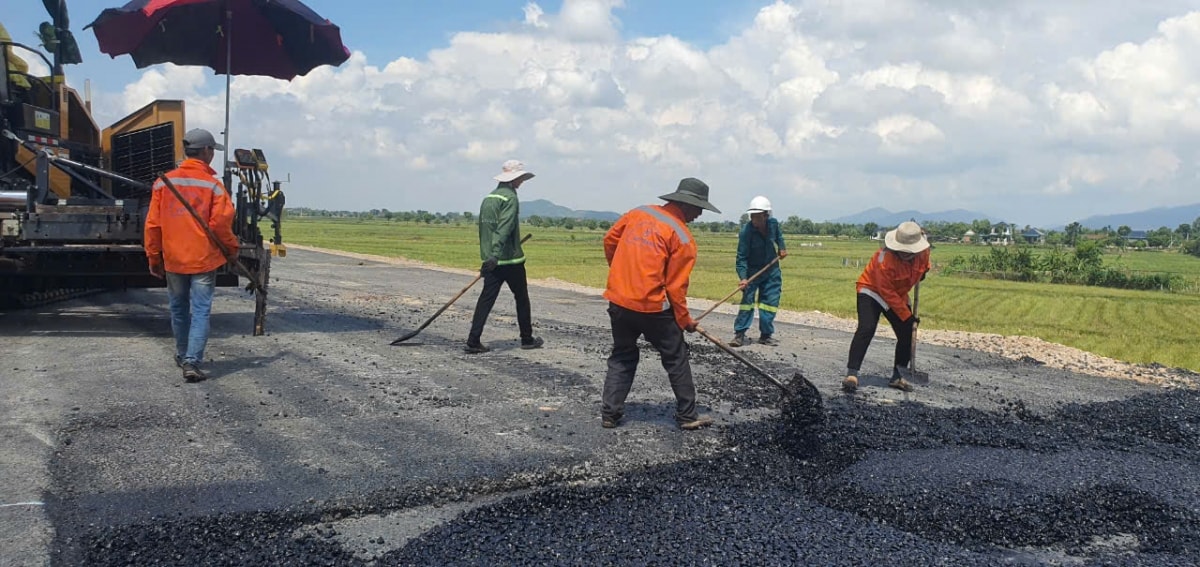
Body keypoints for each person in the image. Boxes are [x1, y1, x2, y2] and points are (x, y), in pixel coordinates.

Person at [600, 178, 720, 430]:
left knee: (622, 354)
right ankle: (687, 416)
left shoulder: (638, 213)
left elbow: (610, 240)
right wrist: (685, 320)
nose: (699, 215)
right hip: (652, 308)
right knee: (676, 357)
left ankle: (610, 414)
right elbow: (676, 288)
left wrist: (622, 273)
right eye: (699, 208)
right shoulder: (683, 239)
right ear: (686, 205)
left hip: (619, 301)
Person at [144, 128, 238, 382]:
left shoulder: (164, 183)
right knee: (201, 310)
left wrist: (154, 256)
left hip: (174, 258)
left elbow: (153, 225)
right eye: (212, 151)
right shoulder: (214, 186)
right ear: (206, 152)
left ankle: (182, 354)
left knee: (178, 309)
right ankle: (192, 362)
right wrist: (232, 249)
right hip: (203, 259)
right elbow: (220, 225)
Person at [465, 160, 544, 353]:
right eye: (521, 179)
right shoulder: (510, 198)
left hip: (491, 261)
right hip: (509, 260)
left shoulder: (489, 198)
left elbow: (485, 230)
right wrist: (496, 254)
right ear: (515, 179)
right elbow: (504, 227)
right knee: (522, 298)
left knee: (486, 299)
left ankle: (473, 340)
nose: (521, 182)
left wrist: (488, 256)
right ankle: (526, 339)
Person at [843, 221, 931, 393]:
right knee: (866, 328)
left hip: (898, 293)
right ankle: (852, 373)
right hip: (871, 291)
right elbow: (886, 291)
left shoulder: (924, 252)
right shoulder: (884, 259)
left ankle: (898, 376)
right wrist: (907, 315)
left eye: (908, 252)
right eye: (901, 251)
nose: (904, 254)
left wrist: (922, 274)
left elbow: (924, 267)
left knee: (907, 331)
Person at [730, 196, 788, 347]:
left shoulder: (773, 224)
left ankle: (766, 335)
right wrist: (743, 278)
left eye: (757, 216)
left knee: (769, 303)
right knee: (747, 303)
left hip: (771, 269)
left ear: (766, 215)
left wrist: (782, 248)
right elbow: (741, 258)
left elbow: (779, 237)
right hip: (752, 272)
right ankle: (739, 334)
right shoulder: (746, 232)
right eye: (752, 216)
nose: (754, 220)